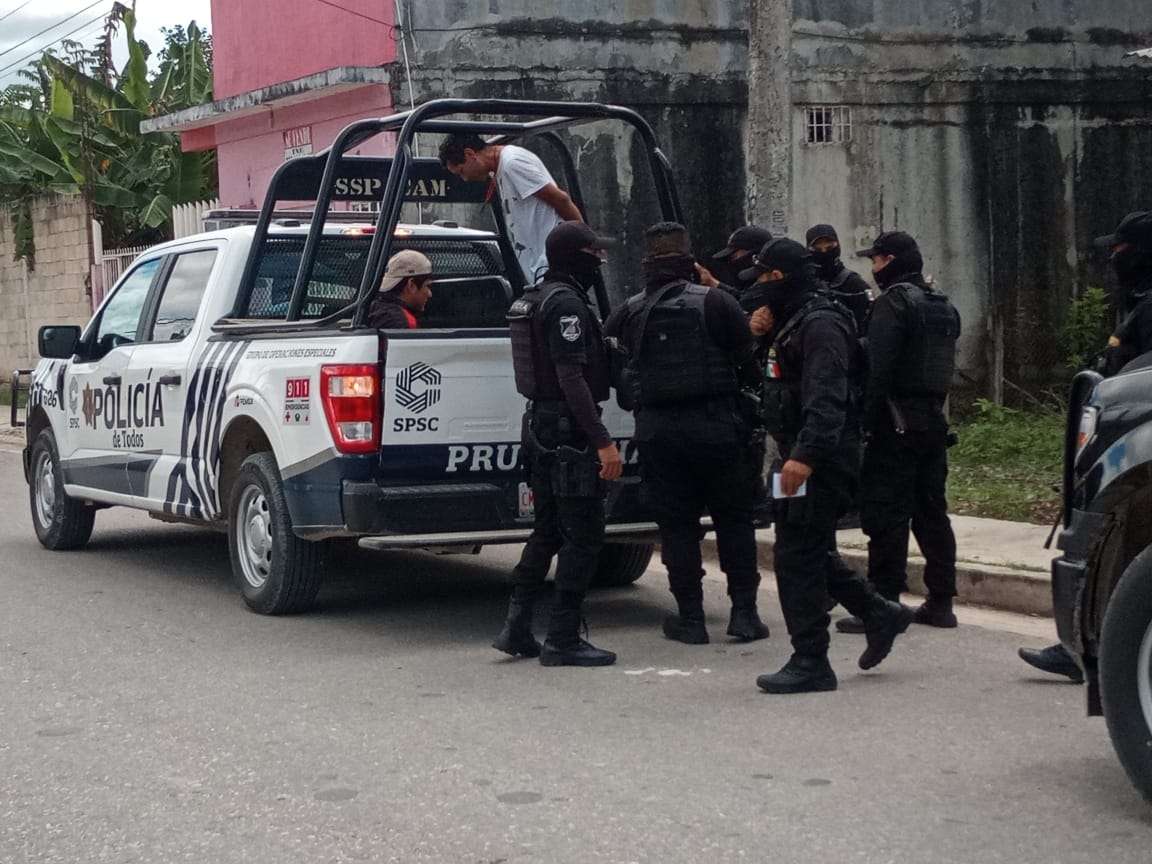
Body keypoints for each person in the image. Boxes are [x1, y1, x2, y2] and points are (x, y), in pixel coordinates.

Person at [738, 237, 912, 694]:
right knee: (806, 545)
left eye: (766, 277)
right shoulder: (792, 321)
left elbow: (828, 398)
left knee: (796, 555)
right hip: (797, 452)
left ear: (784, 277)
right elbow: (781, 381)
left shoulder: (821, 323)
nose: (759, 286)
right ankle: (879, 612)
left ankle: (811, 660)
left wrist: (804, 457)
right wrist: (760, 339)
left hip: (819, 457)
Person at [603, 222, 769, 645]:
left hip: (660, 433)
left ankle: (691, 619)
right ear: (688, 263)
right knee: (734, 521)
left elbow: (609, 358)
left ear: (647, 264)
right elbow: (749, 367)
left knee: (677, 527)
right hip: (717, 427)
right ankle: (745, 614)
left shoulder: (629, 310)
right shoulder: (717, 303)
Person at [1019, 210, 1152, 683]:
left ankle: (1087, 647)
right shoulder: (1137, 301)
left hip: (1134, 450)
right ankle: (1082, 643)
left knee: (1110, 548)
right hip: (1116, 441)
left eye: (1120, 251)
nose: (1114, 260)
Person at [496, 220, 623, 667]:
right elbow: (571, 377)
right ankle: (563, 638)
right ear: (577, 257)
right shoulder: (566, 304)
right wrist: (603, 441)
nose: (602, 261)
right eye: (595, 254)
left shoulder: (535, 297)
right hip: (568, 433)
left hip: (541, 429)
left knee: (547, 530)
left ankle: (516, 628)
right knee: (585, 537)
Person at [836, 231, 961, 635]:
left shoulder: (894, 302)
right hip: (932, 420)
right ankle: (941, 601)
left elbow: (879, 369)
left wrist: (864, 423)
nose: (872, 268)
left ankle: (884, 601)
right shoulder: (942, 305)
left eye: (875, 260)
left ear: (889, 260)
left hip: (895, 422)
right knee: (931, 513)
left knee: (886, 514)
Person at [439, 133, 583, 283]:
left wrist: (586, 241)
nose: (465, 178)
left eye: (462, 171)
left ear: (470, 154)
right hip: (540, 268)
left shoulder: (512, 163)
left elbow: (561, 199)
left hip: (552, 265)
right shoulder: (501, 169)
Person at [805, 224, 872, 335]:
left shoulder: (856, 284)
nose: (824, 253)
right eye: (817, 249)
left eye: (830, 248)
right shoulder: (805, 284)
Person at [694, 225, 773, 302]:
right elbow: (742, 297)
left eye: (734, 257)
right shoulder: (753, 287)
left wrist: (713, 282)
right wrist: (712, 282)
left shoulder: (772, 287)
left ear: (755, 256)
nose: (731, 263)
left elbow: (746, 303)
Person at [366, 250, 433, 329]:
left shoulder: (372, 309)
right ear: (411, 284)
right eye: (427, 286)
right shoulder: (401, 322)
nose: (430, 294)